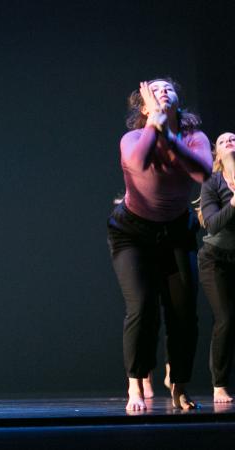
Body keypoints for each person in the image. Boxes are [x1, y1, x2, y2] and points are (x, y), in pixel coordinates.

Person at [107, 78, 212, 411]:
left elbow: (203, 171)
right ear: (143, 107)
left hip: (177, 232)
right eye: (154, 91)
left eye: (168, 88)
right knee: (142, 307)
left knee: (183, 313)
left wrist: (168, 134)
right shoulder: (133, 137)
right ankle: (135, 385)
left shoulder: (194, 138)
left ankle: (179, 385)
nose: (162, 92)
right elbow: (137, 163)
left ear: (179, 100)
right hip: (132, 233)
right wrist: (155, 125)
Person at [198, 131, 235, 403]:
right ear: (217, 155)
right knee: (225, 317)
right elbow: (211, 223)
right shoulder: (212, 182)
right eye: (223, 141)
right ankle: (219, 384)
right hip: (215, 258)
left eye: (234, 139)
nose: (229, 142)